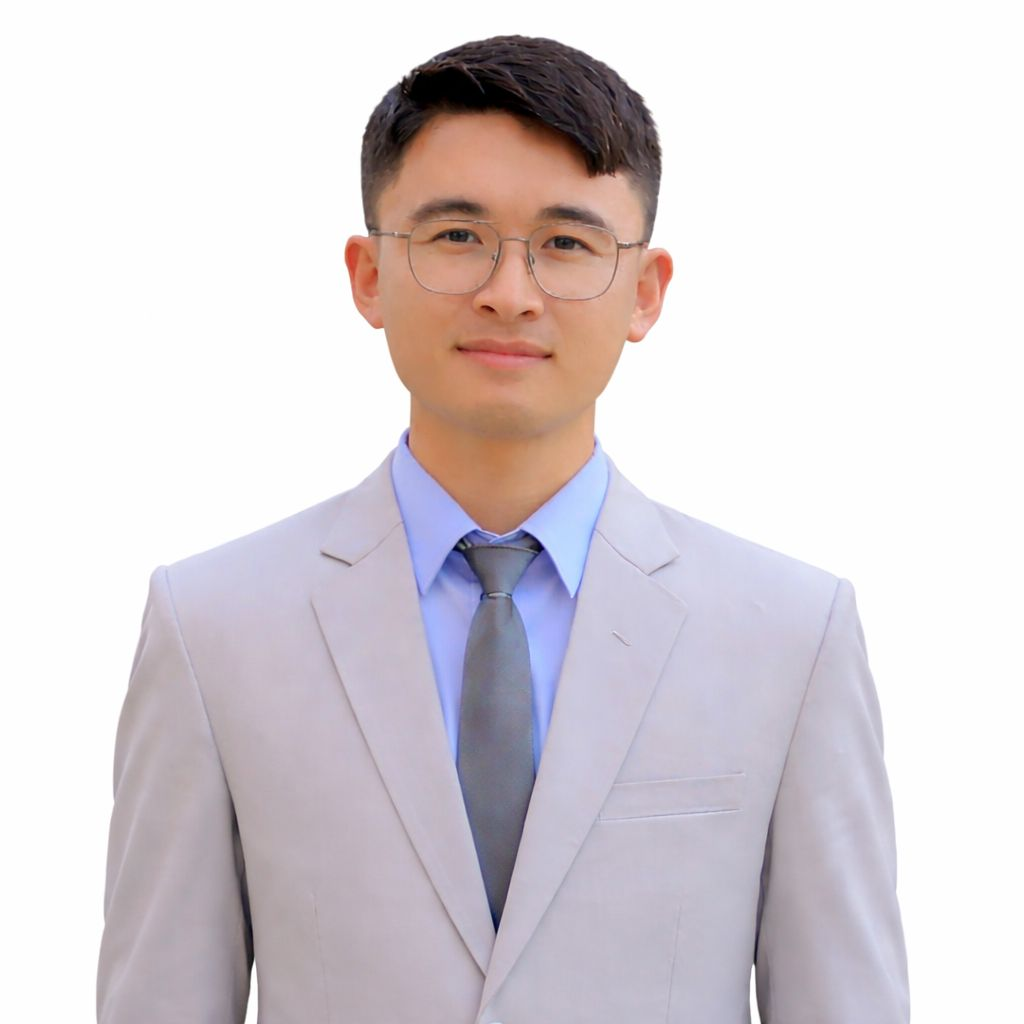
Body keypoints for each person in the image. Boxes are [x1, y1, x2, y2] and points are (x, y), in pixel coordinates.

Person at [97, 34, 910, 1024]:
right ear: (367, 274)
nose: (509, 293)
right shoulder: (213, 627)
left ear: (646, 291)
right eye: (455, 235)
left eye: (566, 244)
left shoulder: (788, 634)